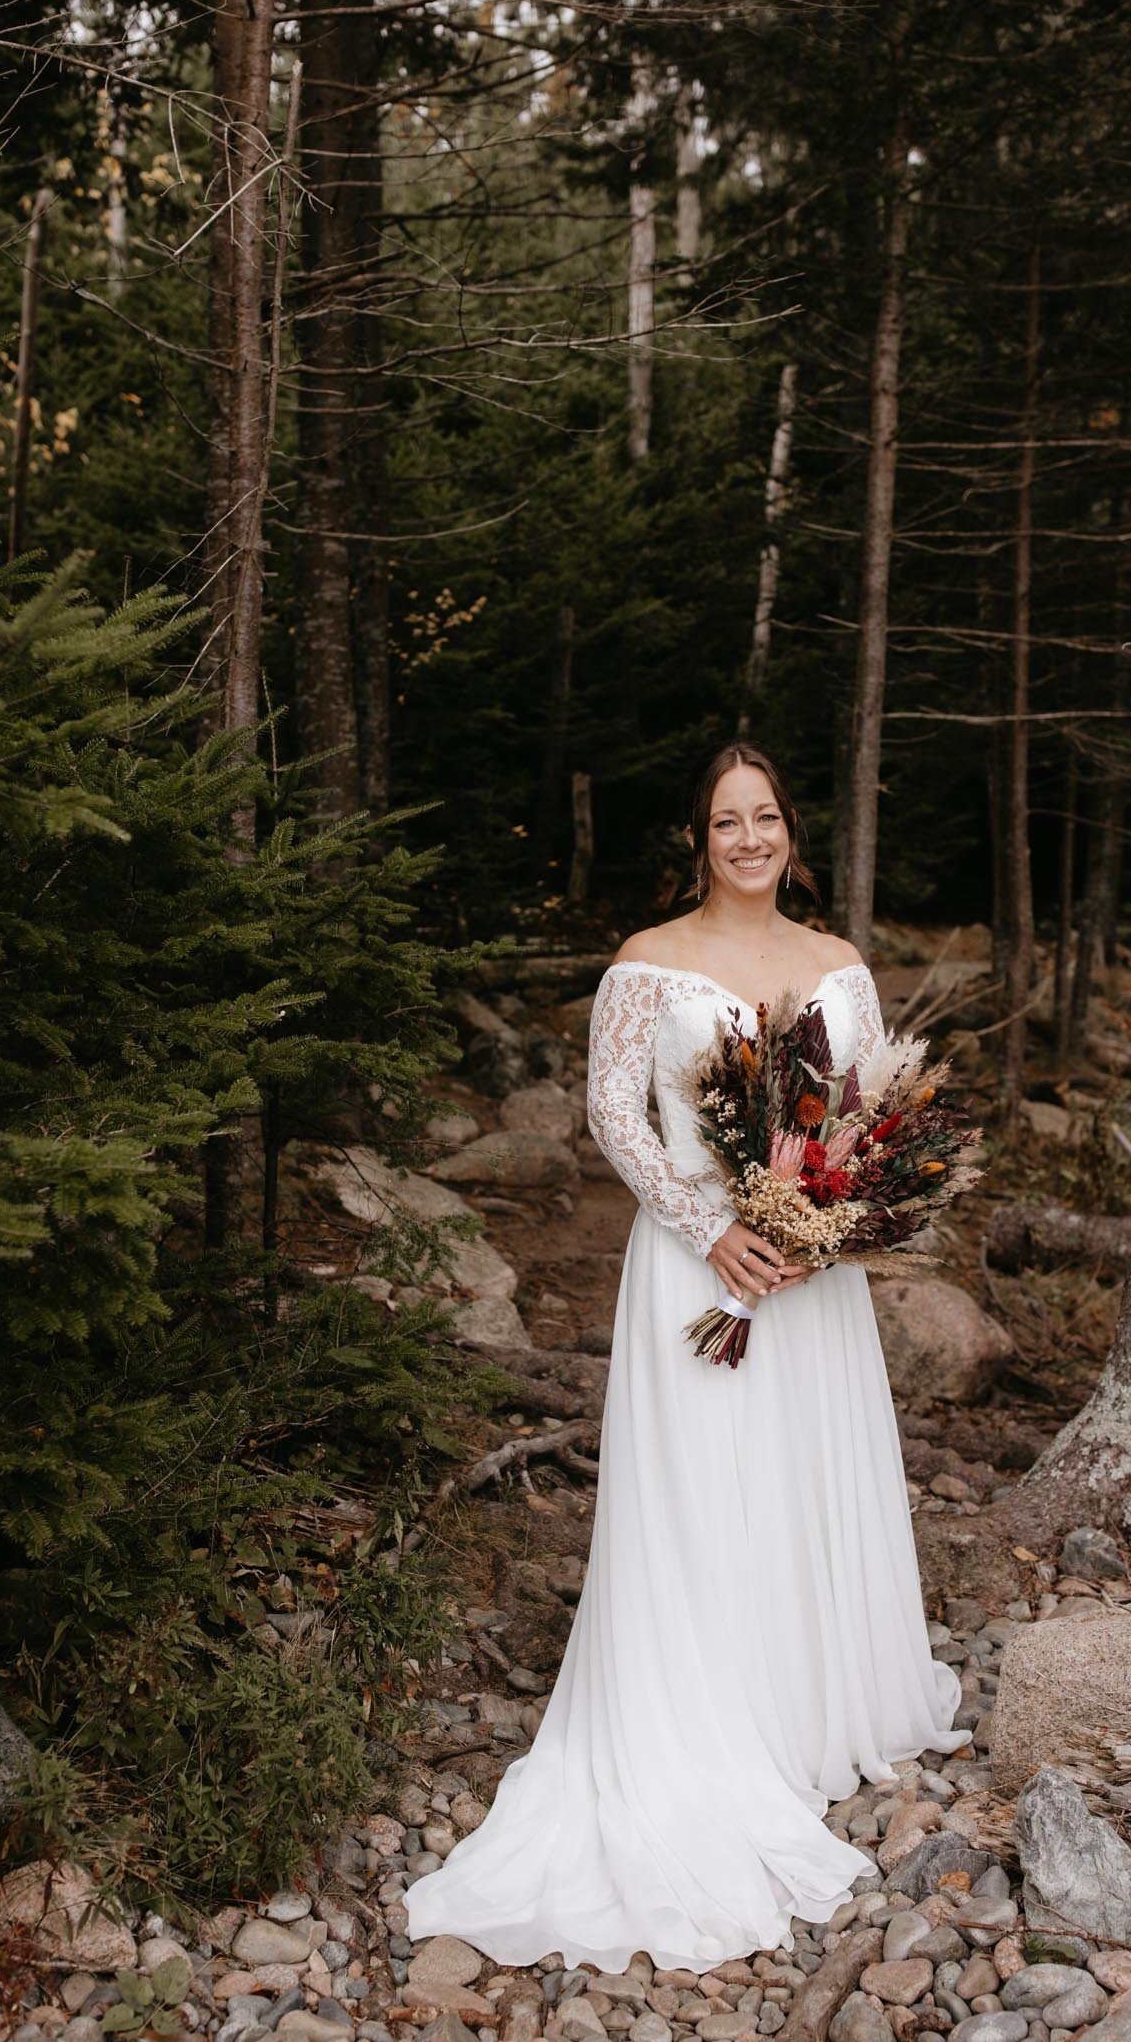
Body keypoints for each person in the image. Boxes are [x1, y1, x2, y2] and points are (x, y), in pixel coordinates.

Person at [404, 740, 969, 1974]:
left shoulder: (840, 962)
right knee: (703, 1486)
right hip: (694, 1262)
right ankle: (703, 1714)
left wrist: (828, 1223)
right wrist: (711, 1226)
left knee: (797, 1476)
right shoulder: (645, 963)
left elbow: (868, 1114)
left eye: (766, 816)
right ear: (697, 839)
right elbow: (613, 1112)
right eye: (726, 821)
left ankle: (805, 1701)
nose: (749, 838)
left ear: (791, 831)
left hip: (809, 1280)